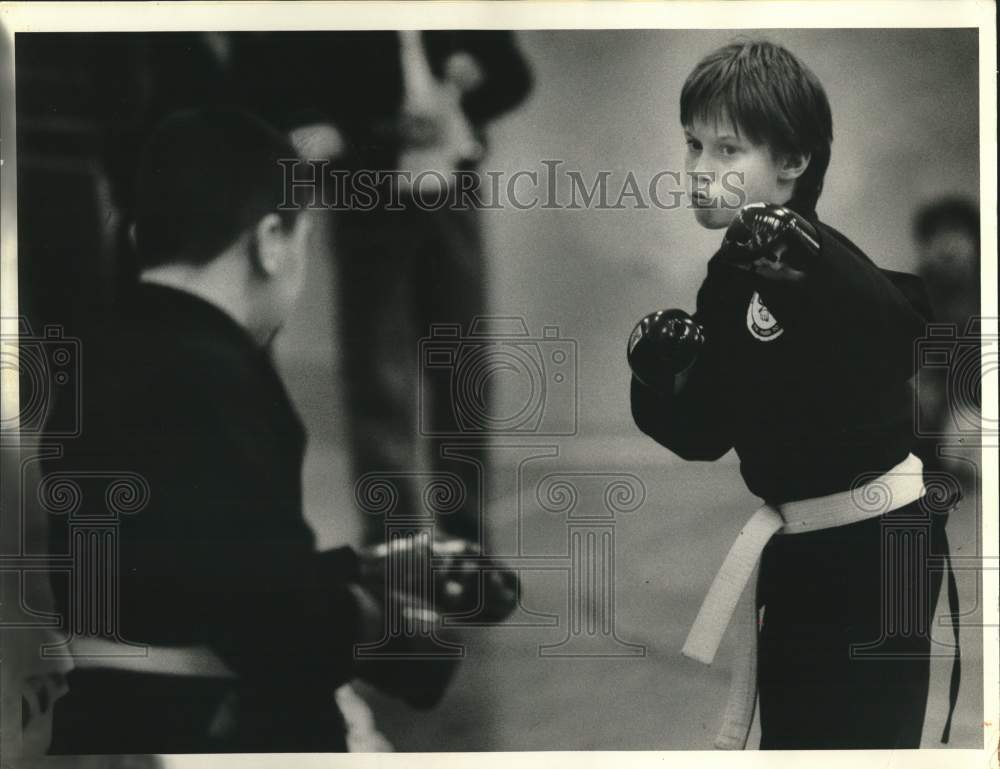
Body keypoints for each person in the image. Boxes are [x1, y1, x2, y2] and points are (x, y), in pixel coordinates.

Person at [41, 108, 515, 754]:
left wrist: (359, 564)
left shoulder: (89, 359)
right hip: (197, 727)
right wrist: (398, 643)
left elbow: (200, 567)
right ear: (270, 240)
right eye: (304, 239)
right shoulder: (224, 378)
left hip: (93, 718)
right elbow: (267, 620)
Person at [627, 40, 960, 750]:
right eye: (693, 146)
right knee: (798, 741)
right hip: (806, 546)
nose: (698, 171)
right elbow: (705, 432)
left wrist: (817, 258)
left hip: (885, 544)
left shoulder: (816, 256)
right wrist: (657, 377)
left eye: (727, 151)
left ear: (792, 163)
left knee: (867, 743)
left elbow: (903, 332)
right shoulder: (726, 279)